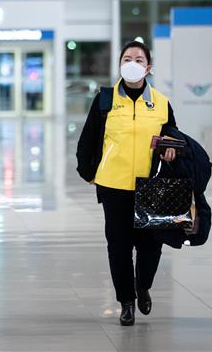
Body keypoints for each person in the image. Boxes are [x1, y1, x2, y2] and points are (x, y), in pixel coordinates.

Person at [76, 40, 177, 326]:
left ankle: (143, 284)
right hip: (114, 185)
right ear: (121, 64)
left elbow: (172, 134)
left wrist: (170, 145)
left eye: (139, 59)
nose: (132, 63)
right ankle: (126, 301)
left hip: (151, 184)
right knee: (118, 246)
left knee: (151, 245)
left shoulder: (161, 103)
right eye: (127, 59)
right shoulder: (106, 99)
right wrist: (88, 172)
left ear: (149, 68)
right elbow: (88, 139)